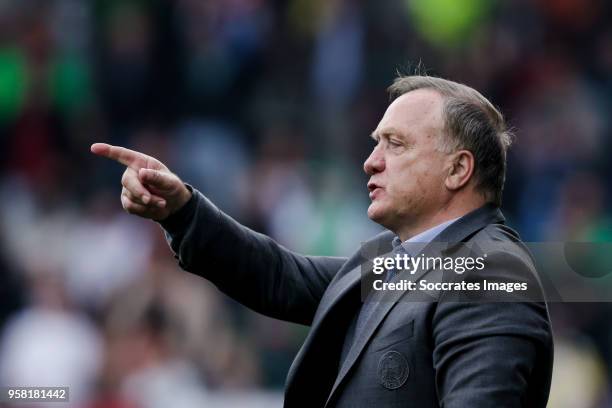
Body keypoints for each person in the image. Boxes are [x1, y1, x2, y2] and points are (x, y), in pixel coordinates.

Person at [91, 75, 553, 407]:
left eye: (396, 144)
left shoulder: (490, 271)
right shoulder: (394, 261)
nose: (371, 162)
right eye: (376, 143)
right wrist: (182, 210)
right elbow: (278, 275)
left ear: (458, 170)